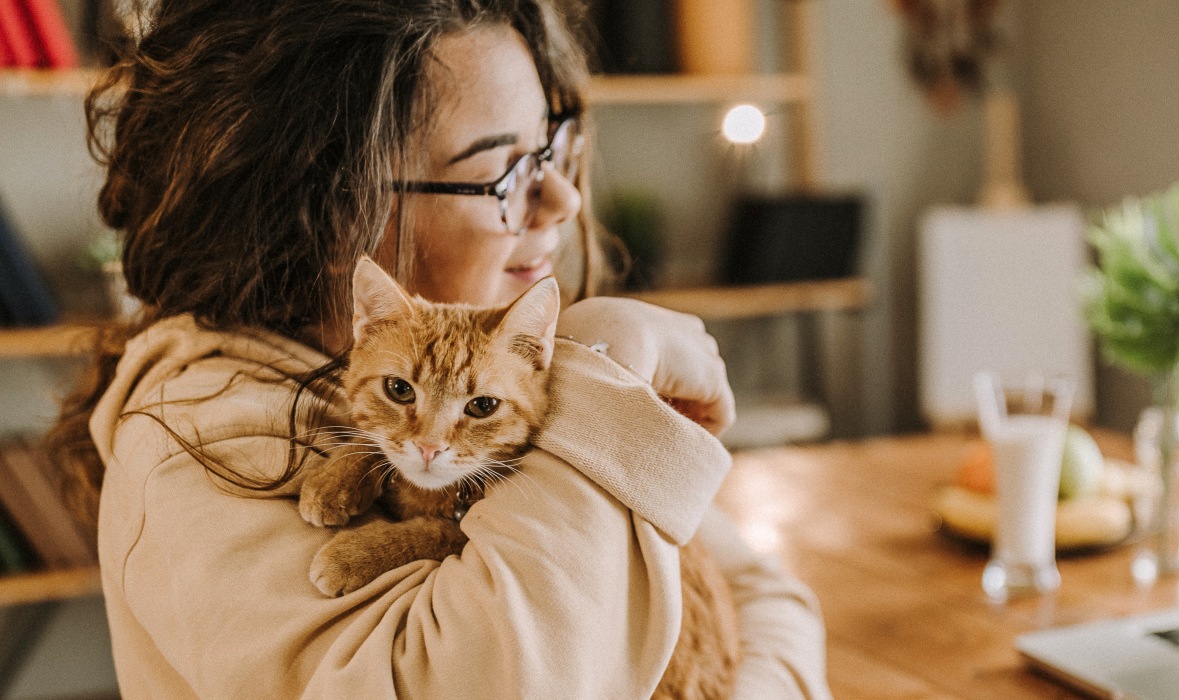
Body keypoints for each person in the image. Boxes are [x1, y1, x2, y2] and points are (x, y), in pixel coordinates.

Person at [41, 0, 830, 697]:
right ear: (330, 211)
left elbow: (769, 596)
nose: (563, 198)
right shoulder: (195, 445)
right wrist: (610, 352)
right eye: (503, 171)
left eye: (550, 151)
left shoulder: (515, 382)